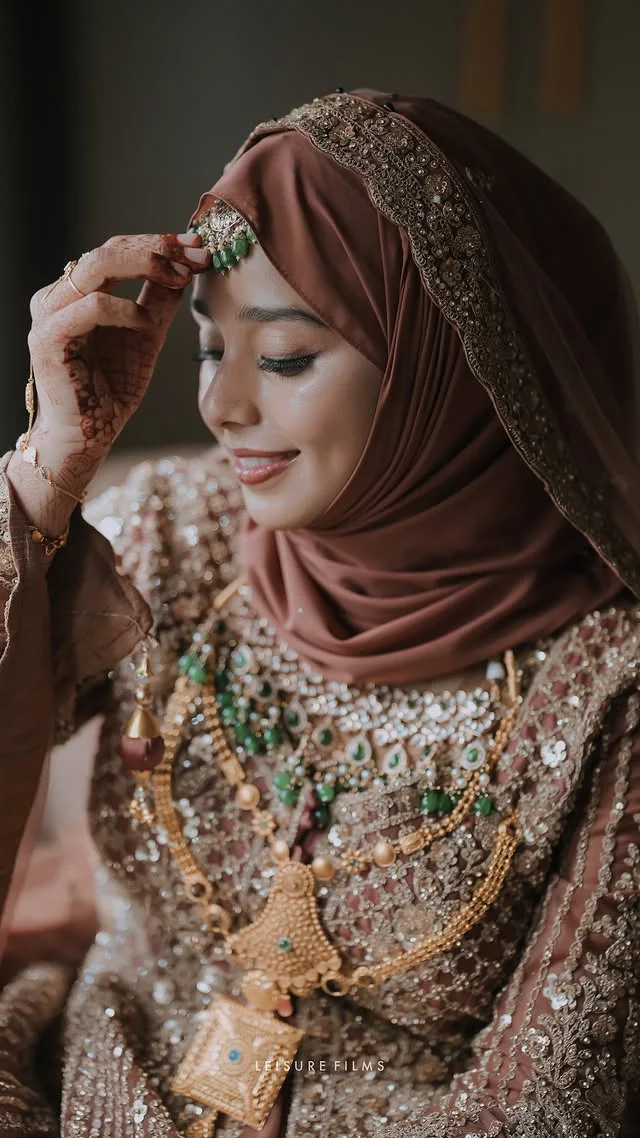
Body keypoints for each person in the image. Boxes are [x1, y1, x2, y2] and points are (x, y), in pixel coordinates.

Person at [0, 87, 639, 1138]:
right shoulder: (167, 531)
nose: (221, 406)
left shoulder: (602, 684)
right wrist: (43, 480)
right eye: (213, 347)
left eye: (286, 356)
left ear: (452, 363)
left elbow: (540, 1108)